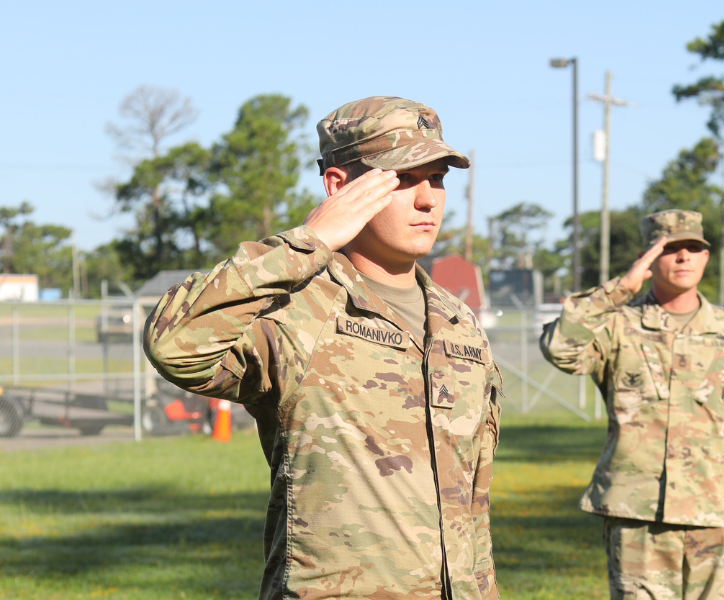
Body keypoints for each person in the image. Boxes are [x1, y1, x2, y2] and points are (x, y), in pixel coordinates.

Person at [144, 97, 503, 600]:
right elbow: (174, 345)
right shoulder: (294, 309)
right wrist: (307, 242)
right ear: (339, 186)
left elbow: (472, 507)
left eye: (438, 178)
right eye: (402, 178)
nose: (428, 200)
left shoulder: (458, 323)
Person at [540, 209, 724, 600]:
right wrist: (621, 288)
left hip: (714, 518)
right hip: (638, 518)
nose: (684, 257)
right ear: (649, 259)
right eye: (670, 249)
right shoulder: (618, 325)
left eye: (693, 248)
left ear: (706, 257)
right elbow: (559, 348)